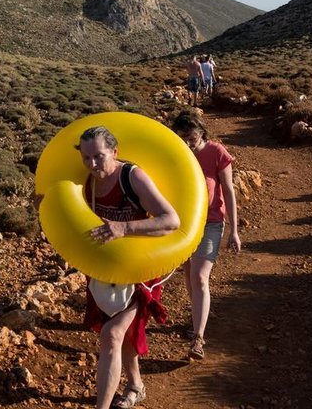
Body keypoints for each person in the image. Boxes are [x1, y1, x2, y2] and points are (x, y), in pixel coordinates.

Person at [77, 126, 180, 409]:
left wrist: (125, 227)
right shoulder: (85, 180)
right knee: (120, 335)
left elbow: (171, 220)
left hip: (140, 271)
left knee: (112, 334)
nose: (92, 164)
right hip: (105, 270)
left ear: (114, 151)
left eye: (99, 156)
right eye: (86, 158)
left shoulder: (131, 177)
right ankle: (136, 384)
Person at [170, 110, 241, 360]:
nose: (186, 141)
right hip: (184, 225)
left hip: (210, 223)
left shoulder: (217, 152)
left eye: (190, 135)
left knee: (200, 278)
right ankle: (195, 319)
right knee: (190, 278)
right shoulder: (177, 154)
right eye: (181, 137)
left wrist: (234, 230)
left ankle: (198, 338)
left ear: (200, 131)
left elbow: (229, 191)